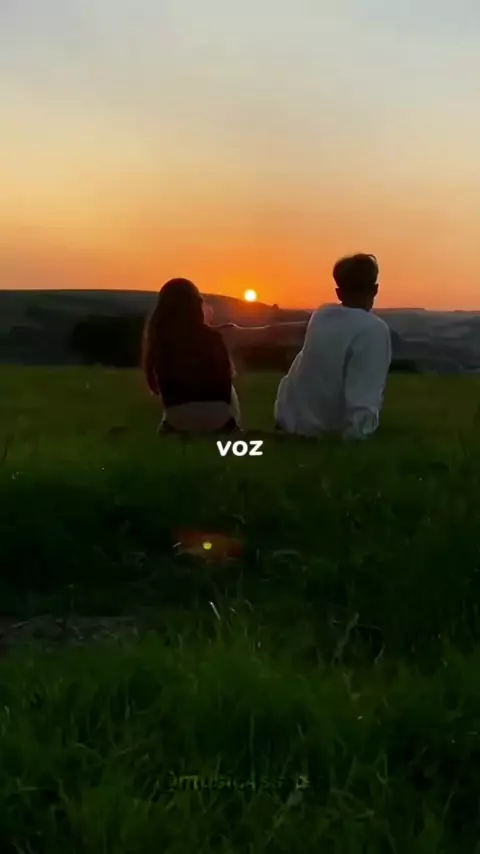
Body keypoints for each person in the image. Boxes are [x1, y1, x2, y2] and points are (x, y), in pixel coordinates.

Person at [142, 278, 307, 434]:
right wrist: (311, 325)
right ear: (197, 306)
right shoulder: (221, 336)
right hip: (222, 428)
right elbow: (271, 333)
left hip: (174, 429)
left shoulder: (159, 340)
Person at [274, 254, 391, 440]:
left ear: (339, 293)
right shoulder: (373, 329)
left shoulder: (321, 315)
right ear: (375, 289)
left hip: (289, 423)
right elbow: (364, 396)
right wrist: (358, 435)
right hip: (325, 434)